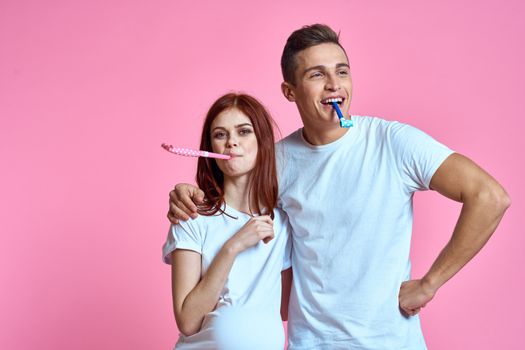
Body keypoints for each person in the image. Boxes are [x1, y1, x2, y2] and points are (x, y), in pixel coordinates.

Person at [167, 25, 510, 349]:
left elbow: (489, 196)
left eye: (341, 71)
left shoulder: (393, 142)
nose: (334, 84)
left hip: (390, 342)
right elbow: (228, 190)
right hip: (309, 343)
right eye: (317, 74)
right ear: (290, 91)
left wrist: (430, 283)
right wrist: (186, 192)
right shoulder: (276, 162)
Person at [162, 93, 292, 350]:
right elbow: (187, 321)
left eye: (244, 132)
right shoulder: (192, 217)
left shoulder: (284, 222)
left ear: (263, 141)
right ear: (210, 148)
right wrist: (233, 247)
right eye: (220, 135)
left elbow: (285, 307)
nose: (232, 142)